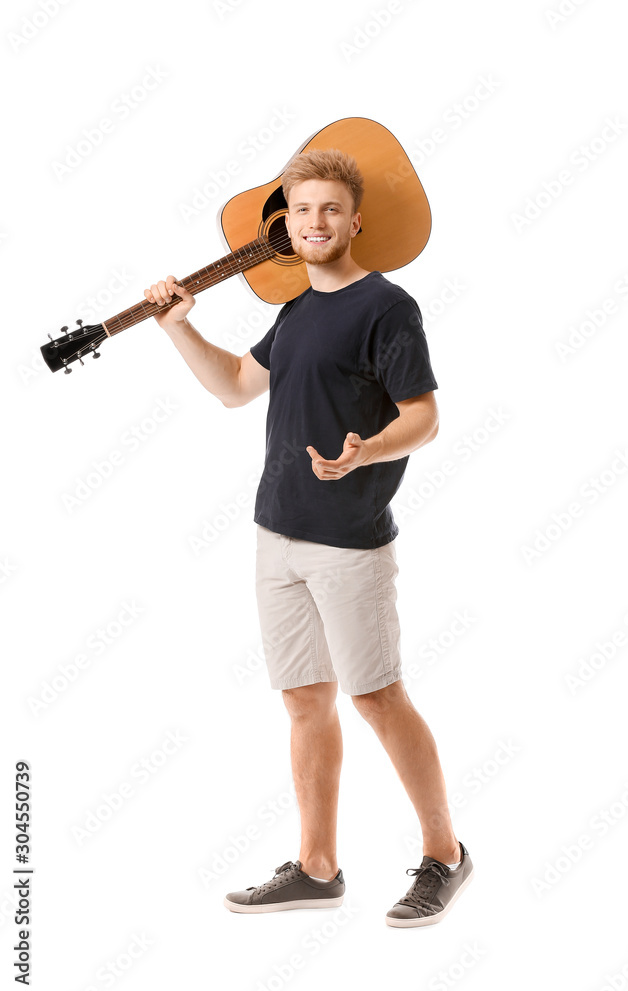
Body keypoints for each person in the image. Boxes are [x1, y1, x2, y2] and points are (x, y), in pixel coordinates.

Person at [144, 148, 473, 927]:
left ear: (354, 220)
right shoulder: (293, 310)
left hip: (349, 541)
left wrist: (369, 447)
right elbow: (233, 386)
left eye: (329, 209)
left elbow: (422, 416)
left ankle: (445, 856)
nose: (314, 222)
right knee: (303, 702)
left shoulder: (386, 307)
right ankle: (318, 868)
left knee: (378, 698)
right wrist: (176, 328)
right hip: (276, 534)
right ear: (283, 223)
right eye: (300, 210)